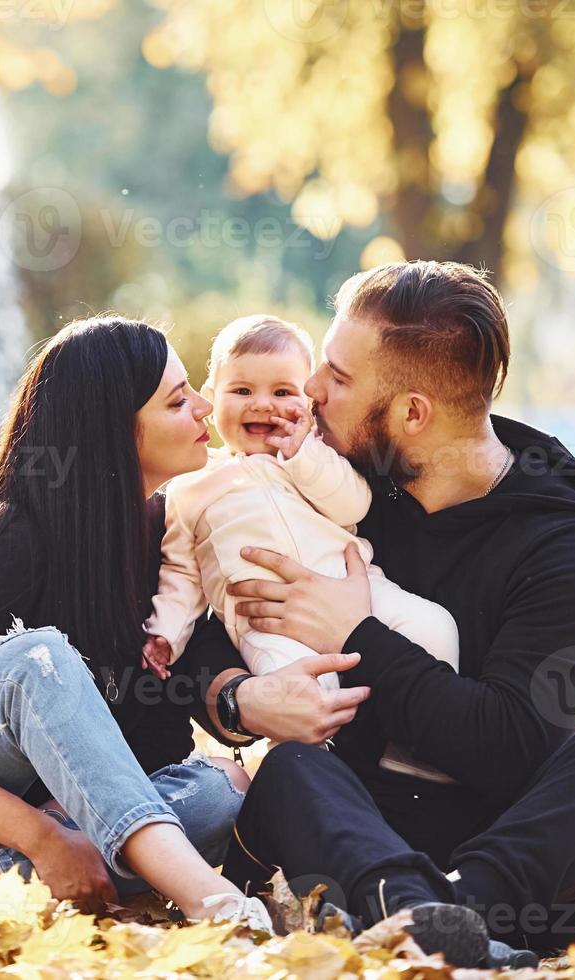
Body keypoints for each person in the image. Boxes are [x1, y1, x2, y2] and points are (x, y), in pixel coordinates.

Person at [188, 261, 575, 966]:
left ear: (411, 414)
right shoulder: (330, 484)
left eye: (339, 378)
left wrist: (356, 634)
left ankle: (442, 923)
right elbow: (216, 617)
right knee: (293, 769)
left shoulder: (568, 552)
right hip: (350, 827)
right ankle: (438, 929)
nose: (311, 392)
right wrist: (236, 698)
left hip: (506, 848)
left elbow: (509, 748)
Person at [0, 316, 293, 928]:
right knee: (36, 659)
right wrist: (42, 837)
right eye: (178, 400)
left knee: (223, 786)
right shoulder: (16, 535)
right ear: (114, 430)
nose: (204, 407)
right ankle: (217, 903)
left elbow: (150, 754)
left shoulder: (164, 543)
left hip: (13, 842)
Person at [141, 314, 458, 782]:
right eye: (242, 391)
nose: (263, 405)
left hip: (358, 589)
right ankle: (318, 784)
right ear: (211, 397)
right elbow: (181, 574)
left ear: (306, 400)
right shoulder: (191, 488)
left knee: (434, 625)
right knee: (301, 696)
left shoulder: (310, 458)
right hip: (267, 624)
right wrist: (166, 631)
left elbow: (354, 503)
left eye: (282, 392)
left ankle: (420, 752)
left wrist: (304, 455)